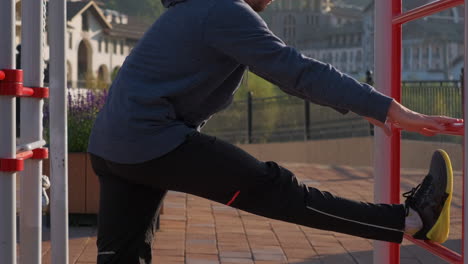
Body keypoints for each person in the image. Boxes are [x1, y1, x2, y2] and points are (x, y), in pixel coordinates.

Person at [87, 0, 461, 263]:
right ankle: (412, 221)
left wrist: (364, 107)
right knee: (277, 190)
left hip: (110, 147)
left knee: (119, 257)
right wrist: (389, 108)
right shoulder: (223, 10)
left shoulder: (191, 10)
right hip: (151, 141)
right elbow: (297, 72)